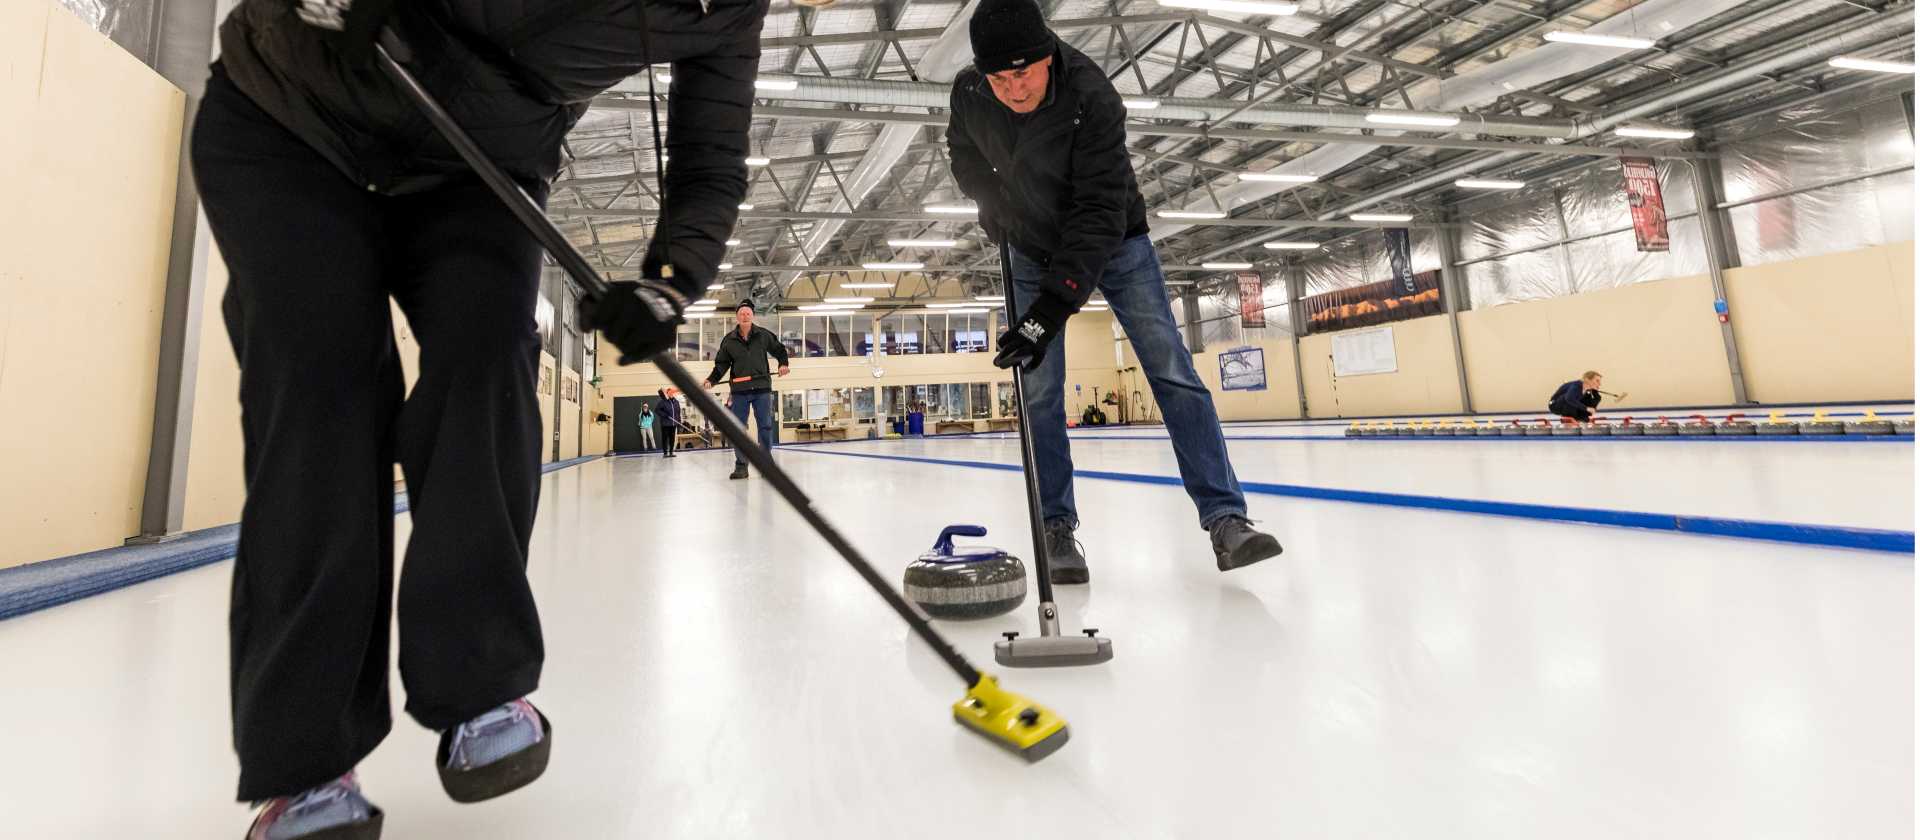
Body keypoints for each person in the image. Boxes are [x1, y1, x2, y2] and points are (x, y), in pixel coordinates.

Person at [192, 0, 769, 835]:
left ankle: (478, 680)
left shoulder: (730, 17)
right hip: (294, 115)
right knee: (320, 396)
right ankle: (306, 761)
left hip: (476, 164)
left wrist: (669, 282)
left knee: (489, 357)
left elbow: (711, 162)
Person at [947, 0, 1282, 583]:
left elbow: (1098, 212)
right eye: (999, 77)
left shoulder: (1092, 97)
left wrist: (1051, 310)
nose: (1012, 89)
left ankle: (1227, 519)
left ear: (1048, 55)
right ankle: (1056, 528)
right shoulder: (971, 92)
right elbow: (964, 151)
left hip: (1115, 241)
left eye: (1022, 72)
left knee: (1171, 371)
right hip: (1028, 244)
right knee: (1042, 392)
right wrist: (988, 202)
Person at [704, 300, 790, 479]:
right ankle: (741, 465)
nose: (745, 316)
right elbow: (721, 365)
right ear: (737, 316)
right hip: (740, 391)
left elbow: (780, 350)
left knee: (765, 426)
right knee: (738, 428)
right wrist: (711, 380)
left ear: (753, 316)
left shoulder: (763, 335)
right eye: (742, 313)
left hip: (762, 389)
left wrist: (783, 364)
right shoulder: (729, 340)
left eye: (748, 313)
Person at [655, 387, 683, 458]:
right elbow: (657, 410)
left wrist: (679, 422)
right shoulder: (663, 401)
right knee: (665, 438)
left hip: (673, 424)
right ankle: (665, 453)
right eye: (669, 392)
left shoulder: (676, 402)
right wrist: (664, 415)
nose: (671, 394)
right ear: (667, 394)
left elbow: (678, 413)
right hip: (665, 424)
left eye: (672, 392)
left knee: (672, 438)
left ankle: (671, 452)